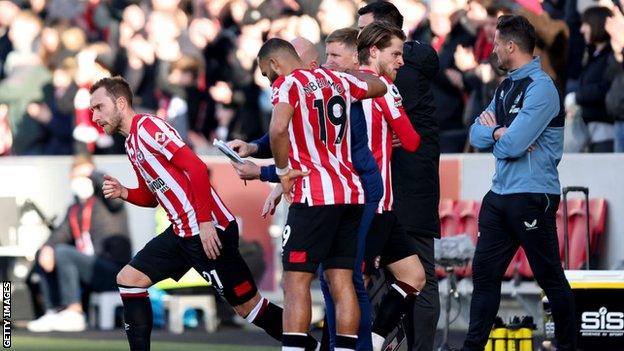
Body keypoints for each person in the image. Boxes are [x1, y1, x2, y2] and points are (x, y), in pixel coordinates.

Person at [90, 76, 289, 351]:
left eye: (99, 107)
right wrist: (125, 192)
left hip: (209, 230)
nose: (95, 116)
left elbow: (195, 167)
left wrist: (206, 222)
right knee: (129, 279)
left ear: (121, 103)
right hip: (182, 232)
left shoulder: (149, 127)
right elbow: (151, 198)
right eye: (92, 110)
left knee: (250, 308)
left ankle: (317, 347)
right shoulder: (131, 144)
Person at [229, 34, 383, 351]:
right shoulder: (336, 80)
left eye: (266, 73)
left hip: (315, 195)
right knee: (343, 282)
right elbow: (379, 86)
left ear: (274, 64)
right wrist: (351, 75)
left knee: (296, 281)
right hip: (351, 192)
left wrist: (283, 173)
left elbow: (278, 129)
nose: (269, 80)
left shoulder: (288, 84)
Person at [462, 15, 575, 351]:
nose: (493, 49)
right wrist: (498, 132)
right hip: (499, 194)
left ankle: (569, 346)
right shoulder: (506, 85)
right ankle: (472, 347)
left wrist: (498, 136)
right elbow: (476, 132)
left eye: (496, 43)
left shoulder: (542, 88)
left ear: (510, 46)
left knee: (549, 278)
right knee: (483, 275)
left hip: (532, 194)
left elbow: (511, 146)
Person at [357, 3, 441, 351]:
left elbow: (408, 139)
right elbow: (410, 137)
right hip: (397, 191)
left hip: (388, 193)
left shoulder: (384, 80)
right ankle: (376, 342)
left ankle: (367, 342)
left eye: (362, 30)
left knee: (363, 278)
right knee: (408, 277)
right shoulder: (389, 80)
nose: (356, 36)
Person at [26, 154, 131, 332]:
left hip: (113, 268)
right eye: (77, 177)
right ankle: (54, 311)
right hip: (88, 269)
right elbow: (60, 234)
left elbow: (116, 200)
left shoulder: (107, 200)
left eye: (86, 177)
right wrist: (47, 248)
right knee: (46, 252)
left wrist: (95, 175)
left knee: (63, 253)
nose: (81, 181)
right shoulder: (74, 208)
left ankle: (74, 313)